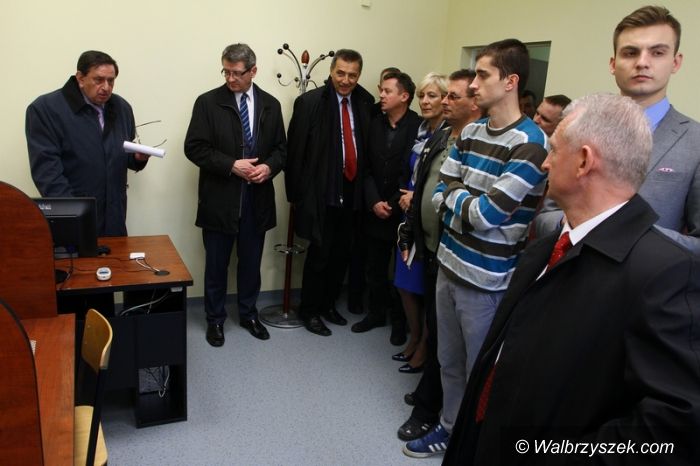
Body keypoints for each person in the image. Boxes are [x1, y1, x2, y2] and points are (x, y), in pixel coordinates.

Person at [443, 93, 700, 466]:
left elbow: (672, 429)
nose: (545, 163)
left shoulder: (665, 273)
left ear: (583, 161)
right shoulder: (547, 247)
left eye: (553, 150)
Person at [403, 39, 548, 458]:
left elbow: (488, 214)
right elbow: (439, 192)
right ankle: (449, 428)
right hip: (448, 265)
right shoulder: (471, 132)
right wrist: (464, 202)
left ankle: (472, 444)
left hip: (485, 281)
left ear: (510, 81)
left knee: (478, 370)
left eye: (483, 75)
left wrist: (459, 201)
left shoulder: (531, 142)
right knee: (448, 362)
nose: (473, 84)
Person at [535, 6, 700, 254]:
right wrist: (570, 223)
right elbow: (545, 218)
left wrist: (624, 231)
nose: (642, 62)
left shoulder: (695, 142)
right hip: (568, 270)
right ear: (613, 64)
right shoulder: (578, 123)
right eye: (630, 52)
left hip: (644, 276)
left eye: (657, 52)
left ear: (675, 62)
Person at [396, 69, 483, 441]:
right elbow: (425, 185)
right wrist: (409, 231)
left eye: (452, 96)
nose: (444, 101)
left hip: (459, 255)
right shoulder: (443, 135)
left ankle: (432, 409)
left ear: (475, 102)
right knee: (438, 331)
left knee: (447, 341)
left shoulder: (481, 143)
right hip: (430, 247)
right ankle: (431, 396)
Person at [184, 43, 286, 346]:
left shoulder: (271, 105)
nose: (230, 79)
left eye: (237, 73)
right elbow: (194, 148)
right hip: (220, 199)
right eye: (226, 72)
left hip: (257, 200)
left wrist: (268, 167)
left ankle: (249, 315)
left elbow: (281, 149)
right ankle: (215, 320)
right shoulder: (207, 103)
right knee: (216, 266)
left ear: (253, 71)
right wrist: (231, 165)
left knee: (250, 265)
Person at [285, 49, 374, 337]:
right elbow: (295, 154)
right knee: (320, 255)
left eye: (352, 75)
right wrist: (296, 197)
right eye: (341, 73)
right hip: (321, 191)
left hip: (353, 191)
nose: (346, 80)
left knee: (342, 253)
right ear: (332, 72)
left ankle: (328, 305)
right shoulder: (310, 103)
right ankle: (309, 310)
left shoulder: (365, 102)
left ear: (359, 76)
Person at [26, 50, 149, 237]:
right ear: (80, 78)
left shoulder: (122, 108)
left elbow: (119, 153)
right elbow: (47, 174)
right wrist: (73, 214)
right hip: (73, 221)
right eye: (98, 80)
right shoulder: (45, 109)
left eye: (111, 81)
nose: (106, 87)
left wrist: (137, 158)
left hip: (115, 217)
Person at [351, 72, 421, 342]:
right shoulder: (374, 124)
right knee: (375, 267)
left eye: (387, 91)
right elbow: (366, 166)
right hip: (374, 207)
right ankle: (376, 313)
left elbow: (412, 171)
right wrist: (373, 201)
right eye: (382, 90)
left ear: (404, 96)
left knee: (402, 271)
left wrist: (390, 203)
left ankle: (399, 322)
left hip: (402, 210)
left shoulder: (418, 127)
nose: (381, 95)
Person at [390, 72, 447, 374]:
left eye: (432, 96)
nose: (424, 101)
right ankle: (414, 338)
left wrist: (417, 195)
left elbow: (444, 180)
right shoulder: (422, 131)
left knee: (424, 289)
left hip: (428, 218)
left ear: (446, 99)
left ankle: (424, 346)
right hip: (408, 216)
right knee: (404, 284)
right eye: (422, 95)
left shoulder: (450, 135)